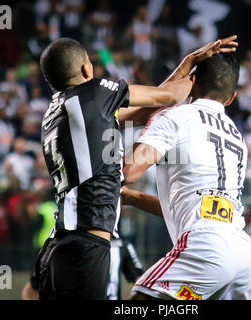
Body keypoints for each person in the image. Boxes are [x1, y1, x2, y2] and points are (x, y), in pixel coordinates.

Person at [34, 36, 238, 300]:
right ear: (86, 69)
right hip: (86, 243)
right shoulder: (96, 92)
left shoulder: (58, 112)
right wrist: (196, 71)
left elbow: (145, 112)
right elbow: (169, 96)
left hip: (57, 244)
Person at [122, 51, 251, 300]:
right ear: (231, 98)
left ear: (192, 82)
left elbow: (129, 171)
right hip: (245, 257)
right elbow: (192, 205)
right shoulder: (238, 138)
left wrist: (150, 120)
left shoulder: (176, 117)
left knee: (138, 301)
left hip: (205, 248)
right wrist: (132, 198)